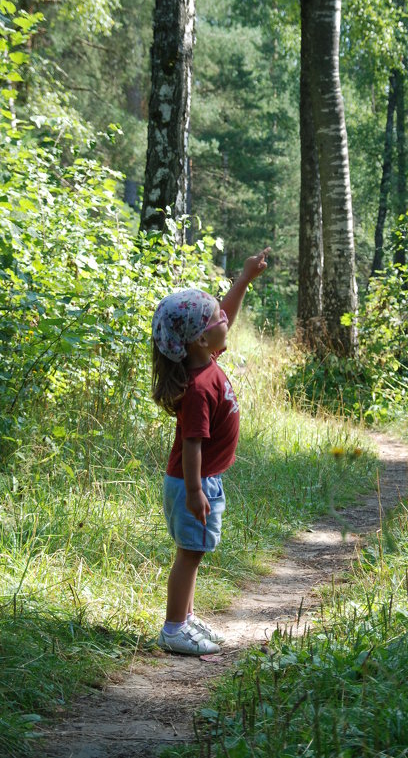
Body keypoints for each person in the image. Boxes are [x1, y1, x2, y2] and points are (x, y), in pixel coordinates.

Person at [151, 247, 270, 655]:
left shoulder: (205, 357)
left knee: (195, 551)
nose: (225, 317)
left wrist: (244, 278)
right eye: (216, 317)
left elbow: (226, 315)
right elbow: (192, 443)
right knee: (189, 554)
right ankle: (172, 628)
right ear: (201, 337)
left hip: (199, 481)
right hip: (193, 483)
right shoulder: (200, 387)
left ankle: (184, 617)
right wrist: (195, 490)